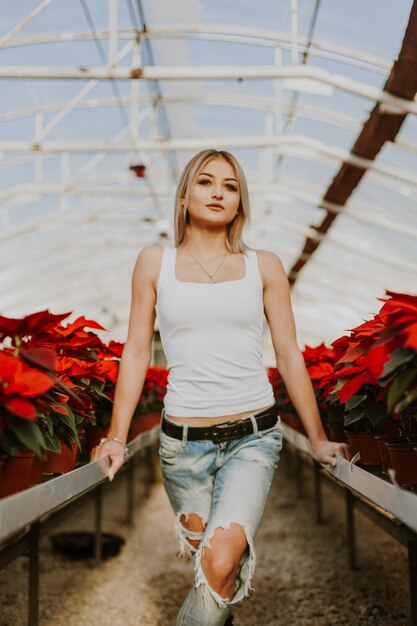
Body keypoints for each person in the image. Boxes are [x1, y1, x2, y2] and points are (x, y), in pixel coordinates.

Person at [90, 148, 352, 625]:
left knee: (220, 561)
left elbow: (289, 355)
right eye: (207, 182)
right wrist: (115, 437)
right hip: (181, 447)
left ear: (240, 203)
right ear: (185, 193)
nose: (217, 192)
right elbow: (135, 353)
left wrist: (316, 438)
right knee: (211, 571)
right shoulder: (154, 263)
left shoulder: (264, 266)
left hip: (252, 438)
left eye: (230, 186)